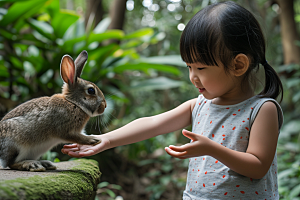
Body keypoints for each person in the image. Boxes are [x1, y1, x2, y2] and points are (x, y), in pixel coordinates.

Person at [62, 1, 284, 199]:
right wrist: (106, 140)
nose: (192, 77)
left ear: (238, 65)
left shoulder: (261, 110)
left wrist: (212, 149)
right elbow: (153, 123)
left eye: (201, 67)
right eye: (189, 67)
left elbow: (258, 166)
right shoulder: (198, 105)